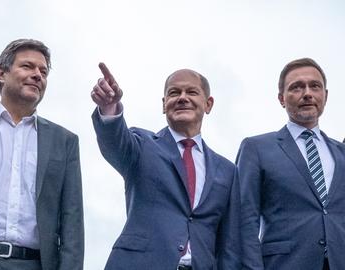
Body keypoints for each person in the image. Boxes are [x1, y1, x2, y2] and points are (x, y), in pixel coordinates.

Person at [91, 63, 240, 270]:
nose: (182, 97)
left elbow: (229, 241)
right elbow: (115, 142)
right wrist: (109, 108)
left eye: (192, 92)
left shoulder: (228, 171)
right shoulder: (142, 145)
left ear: (208, 104)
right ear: (164, 104)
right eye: (174, 93)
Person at [0, 39, 84, 270]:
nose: (38, 75)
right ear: (1, 74)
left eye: (43, 71)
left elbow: (72, 219)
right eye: (27, 66)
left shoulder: (65, 141)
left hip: (34, 264)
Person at [238, 58, 345, 270]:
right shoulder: (256, 148)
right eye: (296, 87)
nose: (307, 93)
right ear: (281, 99)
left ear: (325, 95)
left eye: (315, 86)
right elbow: (244, 220)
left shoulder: (341, 153)